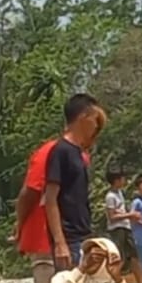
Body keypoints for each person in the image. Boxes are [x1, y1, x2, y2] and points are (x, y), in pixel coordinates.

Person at [14, 127, 91, 283]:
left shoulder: (75, 155)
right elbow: (33, 193)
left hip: (61, 237)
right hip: (47, 237)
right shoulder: (53, 153)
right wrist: (21, 225)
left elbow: (30, 192)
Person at [45, 93, 106, 271]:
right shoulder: (61, 151)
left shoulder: (78, 153)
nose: (96, 126)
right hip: (69, 238)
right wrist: (60, 243)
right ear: (83, 117)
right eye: (94, 120)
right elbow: (50, 199)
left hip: (82, 234)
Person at [103, 169, 141, 283]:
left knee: (134, 256)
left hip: (126, 227)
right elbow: (112, 216)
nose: (124, 181)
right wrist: (130, 215)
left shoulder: (120, 193)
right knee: (119, 257)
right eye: (122, 178)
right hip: (117, 229)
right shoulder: (110, 196)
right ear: (116, 180)